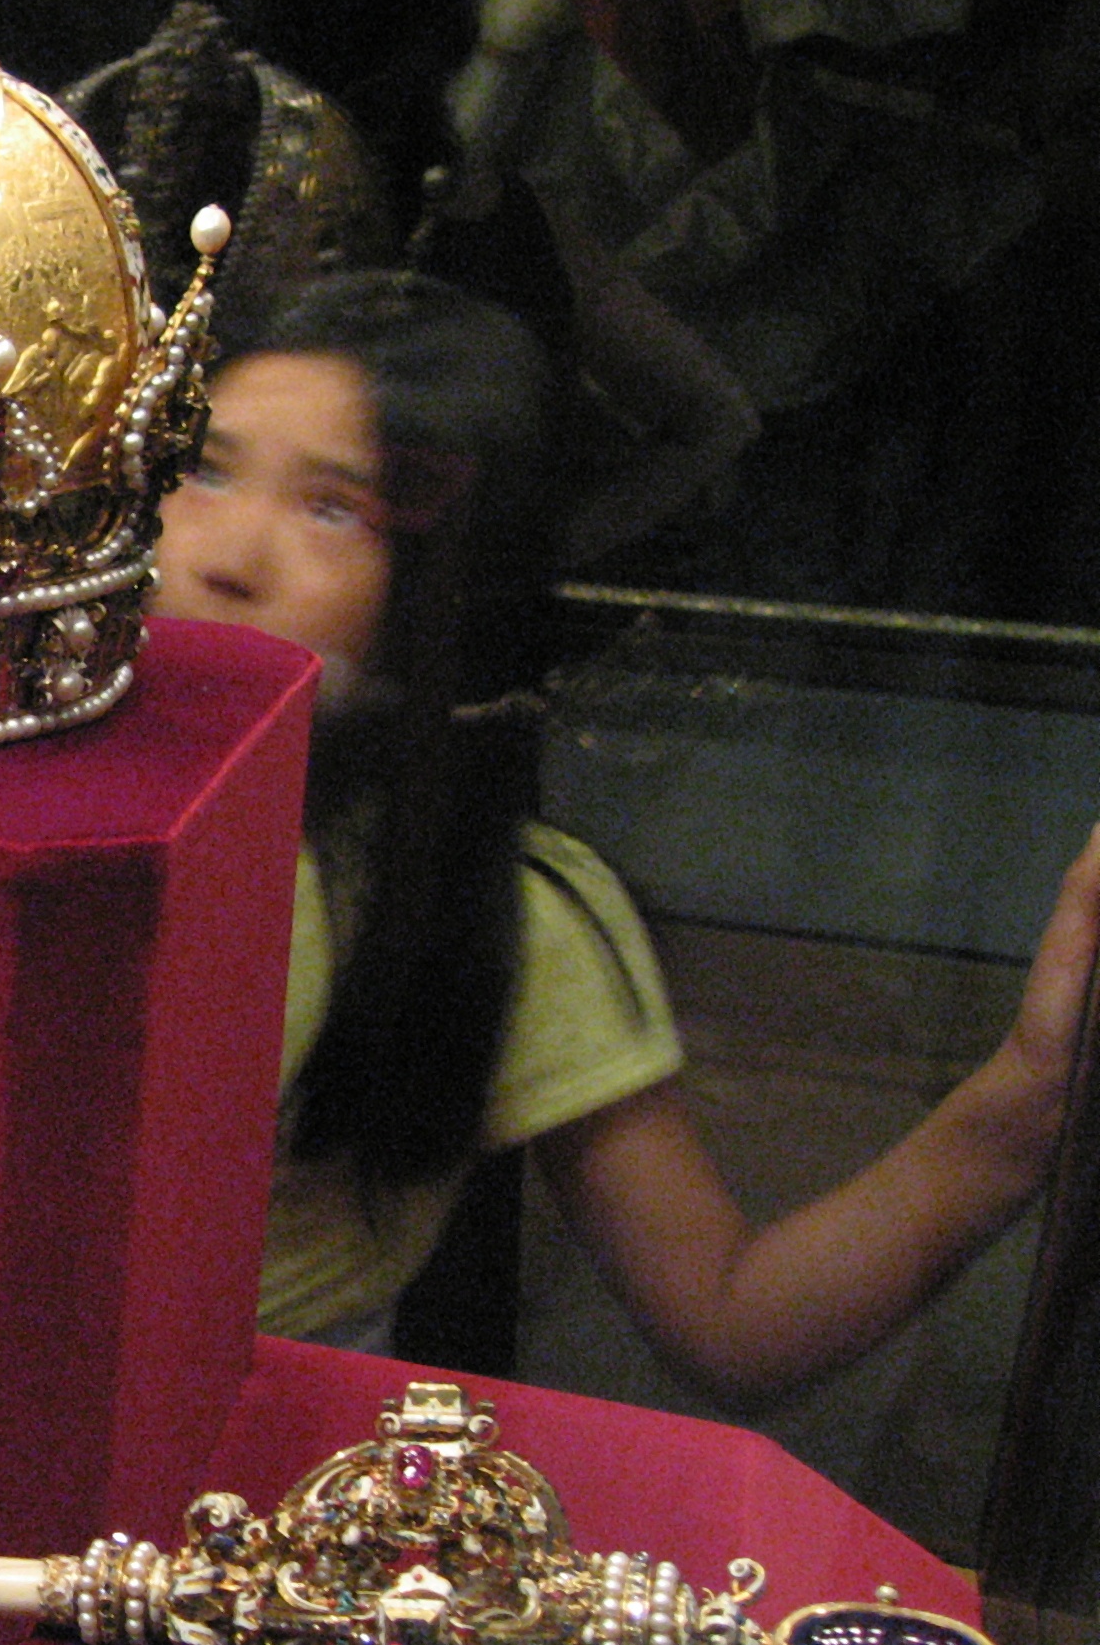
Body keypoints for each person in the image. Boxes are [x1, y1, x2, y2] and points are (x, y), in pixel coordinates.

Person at [150, 269, 1100, 1400]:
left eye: (332, 509)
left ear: (449, 587)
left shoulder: (487, 908)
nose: (225, 555)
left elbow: (733, 1319)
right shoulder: (11, 764)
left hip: (259, 1464)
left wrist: (1027, 1095)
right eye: (206, 469)